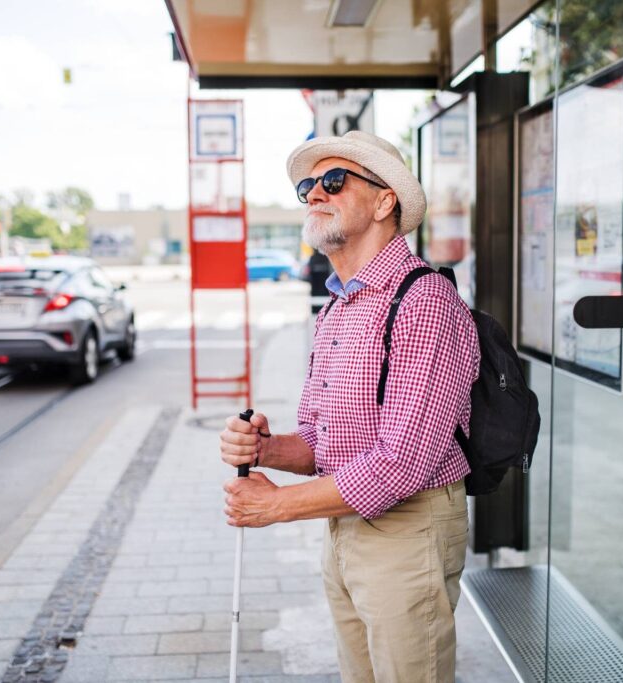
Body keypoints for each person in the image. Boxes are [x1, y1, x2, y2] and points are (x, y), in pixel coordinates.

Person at [219, 131, 480, 683]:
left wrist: (275, 507)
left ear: (386, 201)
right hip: (343, 528)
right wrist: (265, 449)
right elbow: (319, 442)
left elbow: (401, 463)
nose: (314, 193)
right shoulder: (337, 308)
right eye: (308, 186)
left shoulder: (425, 301)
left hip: (407, 532)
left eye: (333, 182)